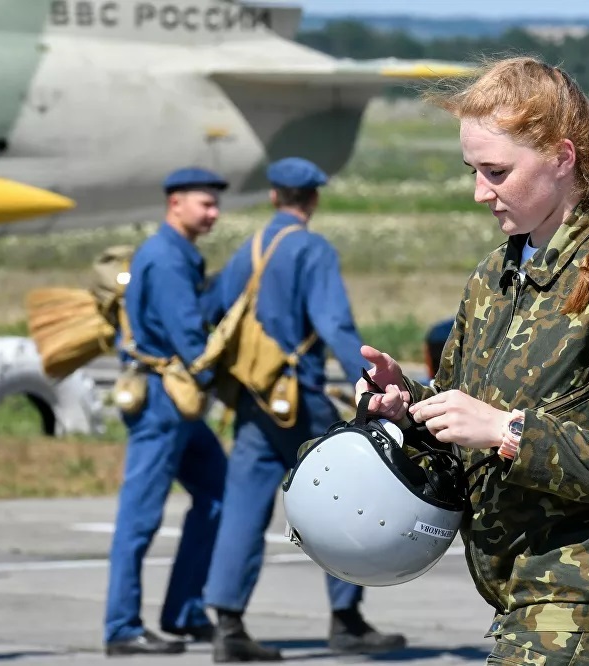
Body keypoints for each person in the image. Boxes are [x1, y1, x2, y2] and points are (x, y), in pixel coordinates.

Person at [356, 57, 589, 666]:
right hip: (521, 594)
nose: (480, 192)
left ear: (562, 159)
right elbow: (462, 415)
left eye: (497, 172)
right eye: (474, 171)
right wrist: (407, 405)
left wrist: (507, 432)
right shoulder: (496, 278)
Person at [200, 157, 407, 662]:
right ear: (311, 199)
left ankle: (227, 624)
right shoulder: (312, 250)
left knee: (244, 507)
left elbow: (210, 312)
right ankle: (346, 618)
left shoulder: (249, 248)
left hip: (254, 397)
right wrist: (367, 382)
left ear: (274, 197)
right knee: (344, 501)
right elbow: (333, 323)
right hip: (301, 401)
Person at [103, 167, 230, 656]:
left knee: (216, 494)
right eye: (205, 203)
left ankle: (183, 611)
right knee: (139, 518)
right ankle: (121, 628)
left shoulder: (176, 253)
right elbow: (191, 342)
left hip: (178, 405)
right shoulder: (168, 259)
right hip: (162, 401)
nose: (213, 213)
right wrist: (227, 383)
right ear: (175, 203)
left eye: (216, 204)